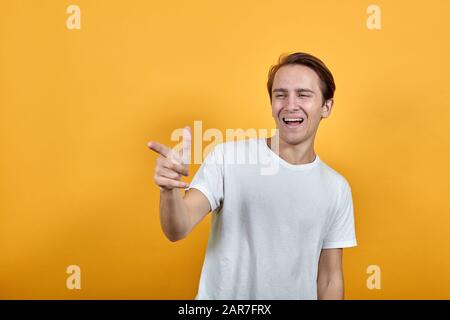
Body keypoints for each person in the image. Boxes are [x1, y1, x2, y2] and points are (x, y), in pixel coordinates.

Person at [147, 52, 357, 300]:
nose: (290, 105)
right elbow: (177, 229)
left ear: (326, 107)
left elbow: (330, 279)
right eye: (280, 95)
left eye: (303, 94)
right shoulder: (228, 157)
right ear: (272, 104)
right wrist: (169, 191)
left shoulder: (336, 187)